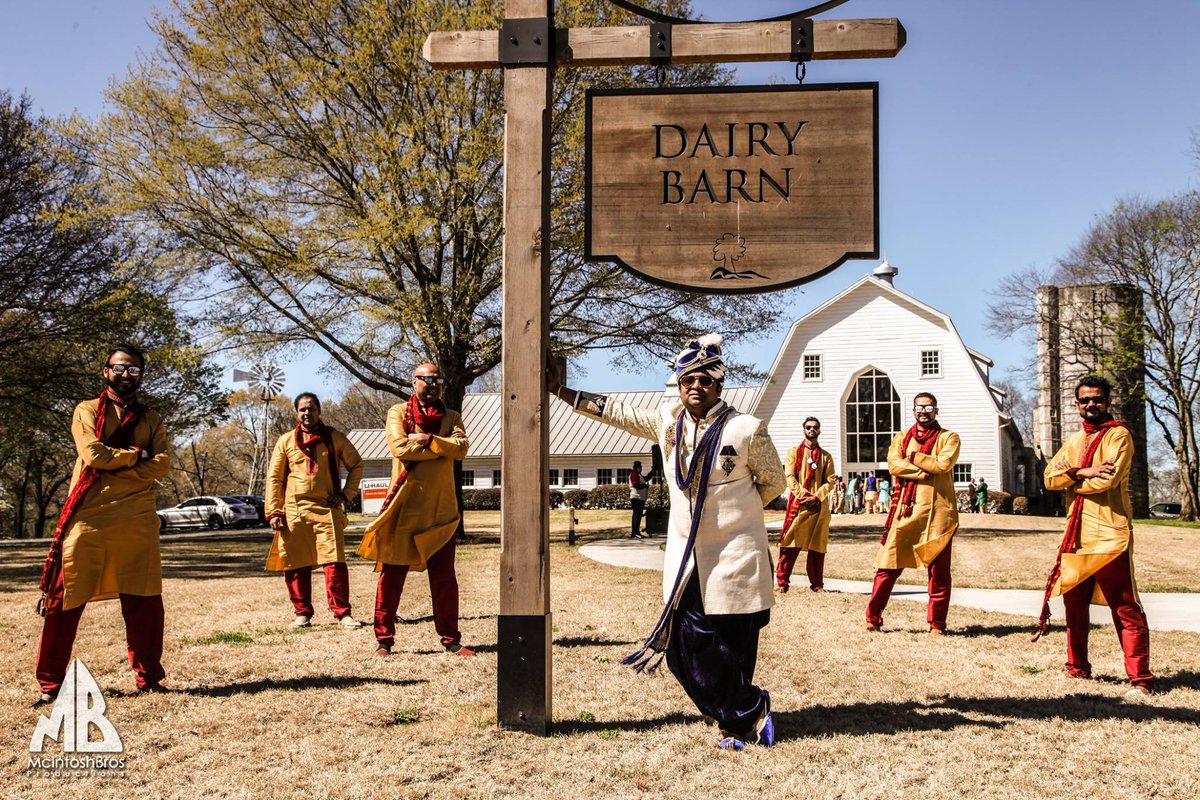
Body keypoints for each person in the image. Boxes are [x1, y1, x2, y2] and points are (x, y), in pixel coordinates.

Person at [548, 333, 785, 750]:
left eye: (704, 380)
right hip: (687, 558)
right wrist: (560, 391)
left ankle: (737, 724)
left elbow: (773, 483)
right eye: (686, 380)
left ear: (719, 384)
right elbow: (614, 411)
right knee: (682, 646)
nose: (695, 386)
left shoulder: (746, 429)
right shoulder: (668, 422)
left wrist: (733, 515)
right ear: (678, 384)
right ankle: (750, 705)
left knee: (733, 642)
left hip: (735, 555)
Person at [34, 345, 170, 703]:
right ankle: (50, 684)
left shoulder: (151, 418)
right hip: (89, 515)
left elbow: (163, 463)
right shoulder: (87, 410)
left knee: (144, 599)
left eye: (134, 370)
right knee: (65, 596)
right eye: (120, 368)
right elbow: (92, 454)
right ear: (106, 371)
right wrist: (135, 456)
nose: (126, 375)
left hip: (137, 517)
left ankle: (150, 678)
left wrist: (120, 464)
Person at [1036, 375, 1154, 697]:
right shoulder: (1074, 441)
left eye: (1097, 399)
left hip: (1109, 534)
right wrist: (1080, 471)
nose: (1091, 405)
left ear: (1107, 402)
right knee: (1074, 602)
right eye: (1085, 400)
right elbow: (1048, 478)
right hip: (1076, 535)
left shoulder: (1119, 436)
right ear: (1077, 405)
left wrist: (1071, 480)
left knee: (1124, 606)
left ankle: (1140, 679)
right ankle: (1077, 668)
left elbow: (1106, 481)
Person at [358, 363, 474, 656]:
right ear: (414, 383)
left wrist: (427, 439)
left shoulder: (452, 416)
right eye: (427, 380)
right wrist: (440, 449)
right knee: (391, 579)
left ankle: (452, 641)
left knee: (445, 580)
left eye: (439, 380)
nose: (433, 385)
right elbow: (399, 447)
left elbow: (461, 449)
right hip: (404, 510)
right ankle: (384, 640)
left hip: (441, 514)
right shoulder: (398, 413)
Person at [265, 393, 365, 628]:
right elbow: (275, 478)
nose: (307, 413)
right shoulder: (286, 441)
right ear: (296, 413)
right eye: (302, 410)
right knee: (295, 564)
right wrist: (275, 511)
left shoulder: (334, 438)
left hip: (325, 510)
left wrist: (345, 495)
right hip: (293, 512)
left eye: (311, 409)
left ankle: (343, 613)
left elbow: (357, 465)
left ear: (319, 411)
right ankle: (302, 613)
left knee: (334, 563)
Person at [864, 392, 960, 634]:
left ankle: (937, 624)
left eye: (928, 407)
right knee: (887, 567)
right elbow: (894, 465)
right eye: (919, 407)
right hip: (905, 511)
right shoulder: (902, 437)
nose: (923, 411)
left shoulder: (949, 437)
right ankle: (872, 617)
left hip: (938, 515)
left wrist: (914, 457)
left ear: (936, 410)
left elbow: (943, 465)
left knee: (939, 574)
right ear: (913, 410)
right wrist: (923, 471)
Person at [776, 417, 836, 593]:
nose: (812, 430)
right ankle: (782, 583)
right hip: (799, 505)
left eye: (815, 427)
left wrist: (817, 497)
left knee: (817, 547)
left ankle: (817, 585)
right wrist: (805, 497)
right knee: (790, 543)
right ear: (803, 430)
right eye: (808, 427)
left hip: (819, 508)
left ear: (819, 430)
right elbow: (790, 477)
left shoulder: (826, 457)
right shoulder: (794, 452)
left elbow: (831, 480)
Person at [629, 460, 650, 538]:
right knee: (637, 515)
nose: (641, 468)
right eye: (640, 467)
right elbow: (635, 484)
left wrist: (651, 472)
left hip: (640, 498)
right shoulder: (634, 474)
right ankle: (635, 532)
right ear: (637, 467)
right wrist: (644, 486)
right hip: (636, 497)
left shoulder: (638, 474)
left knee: (637, 515)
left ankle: (635, 531)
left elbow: (645, 479)